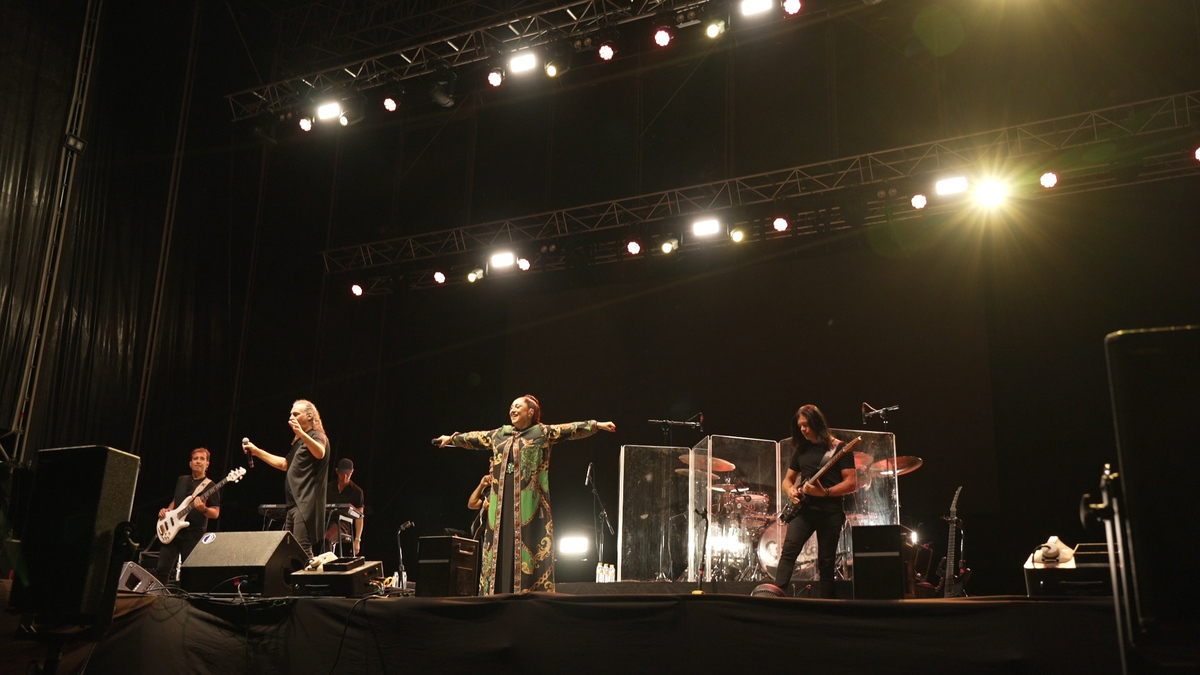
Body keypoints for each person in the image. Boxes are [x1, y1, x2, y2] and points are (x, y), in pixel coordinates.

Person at [434, 395, 616, 595]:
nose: (512, 409)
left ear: (530, 412)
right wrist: (451, 439)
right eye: (511, 406)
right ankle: (496, 593)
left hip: (529, 504)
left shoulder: (541, 433)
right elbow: (474, 438)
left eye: (518, 406)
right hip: (500, 502)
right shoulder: (499, 435)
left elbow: (569, 429)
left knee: (529, 543)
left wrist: (596, 425)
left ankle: (528, 595)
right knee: (499, 544)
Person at [771, 404, 856, 598]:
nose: (802, 429)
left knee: (826, 562)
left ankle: (826, 607)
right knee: (788, 553)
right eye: (800, 425)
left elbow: (851, 483)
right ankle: (775, 598)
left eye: (806, 425)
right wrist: (790, 490)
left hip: (830, 512)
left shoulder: (840, 448)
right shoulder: (802, 450)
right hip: (804, 511)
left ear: (818, 424)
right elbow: (787, 479)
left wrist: (824, 492)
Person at [243, 399, 329, 558]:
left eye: (296, 414)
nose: (291, 417)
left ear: (310, 416)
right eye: (290, 414)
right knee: (291, 552)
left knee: (302, 550)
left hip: (307, 503)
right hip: (293, 503)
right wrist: (257, 451)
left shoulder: (317, 436)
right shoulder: (299, 442)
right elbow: (284, 464)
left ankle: (309, 582)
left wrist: (301, 434)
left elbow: (320, 452)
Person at [155, 447, 221, 582]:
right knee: (162, 570)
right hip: (173, 531)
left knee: (189, 574)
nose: (198, 461)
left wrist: (203, 509)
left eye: (202, 459)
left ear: (207, 464)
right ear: (190, 463)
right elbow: (175, 501)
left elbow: (215, 514)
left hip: (193, 534)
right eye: (195, 458)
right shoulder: (182, 480)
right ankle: (158, 599)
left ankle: (185, 602)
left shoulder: (211, 486)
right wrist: (167, 511)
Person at [325, 458, 364, 556]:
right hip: (326, 521)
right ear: (337, 471)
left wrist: (357, 539)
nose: (345, 477)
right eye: (342, 474)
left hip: (344, 524)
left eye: (348, 474)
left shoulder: (357, 492)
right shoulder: (328, 488)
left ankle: (328, 565)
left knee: (327, 538)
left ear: (352, 472)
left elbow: (359, 517)